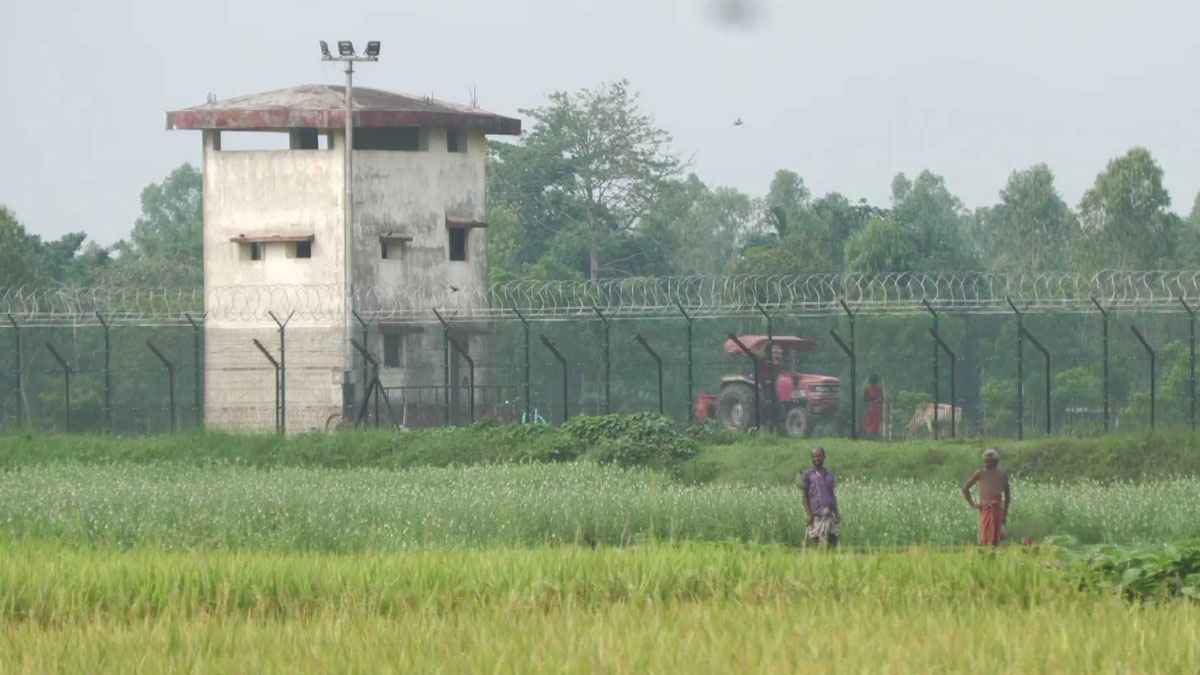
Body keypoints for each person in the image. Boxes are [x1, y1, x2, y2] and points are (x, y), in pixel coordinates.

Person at [961, 448, 1011, 546]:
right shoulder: (980, 473)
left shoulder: (1002, 475)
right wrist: (973, 504)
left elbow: (1008, 495)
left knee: (996, 540)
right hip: (986, 509)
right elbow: (965, 488)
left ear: (996, 462)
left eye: (990, 462)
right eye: (986, 462)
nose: (987, 464)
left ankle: (992, 556)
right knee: (985, 539)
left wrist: (1005, 514)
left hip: (997, 510)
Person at [801, 447, 840, 547]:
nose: (816, 459)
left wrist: (837, 513)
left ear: (824, 457)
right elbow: (804, 497)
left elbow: (833, 496)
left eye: (819, 456)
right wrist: (809, 515)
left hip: (830, 516)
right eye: (814, 456)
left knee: (833, 545)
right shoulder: (808, 475)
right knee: (818, 546)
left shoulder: (830, 475)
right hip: (816, 517)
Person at [863, 374, 884, 438]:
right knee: (870, 422)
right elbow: (865, 399)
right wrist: (874, 400)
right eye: (873, 382)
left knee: (875, 423)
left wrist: (878, 400)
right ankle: (870, 435)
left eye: (874, 382)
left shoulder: (879, 389)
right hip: (871, 408)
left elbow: (882, 399)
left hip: (876, 409)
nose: (873, 383)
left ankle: (873, 435)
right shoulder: (867, 389)